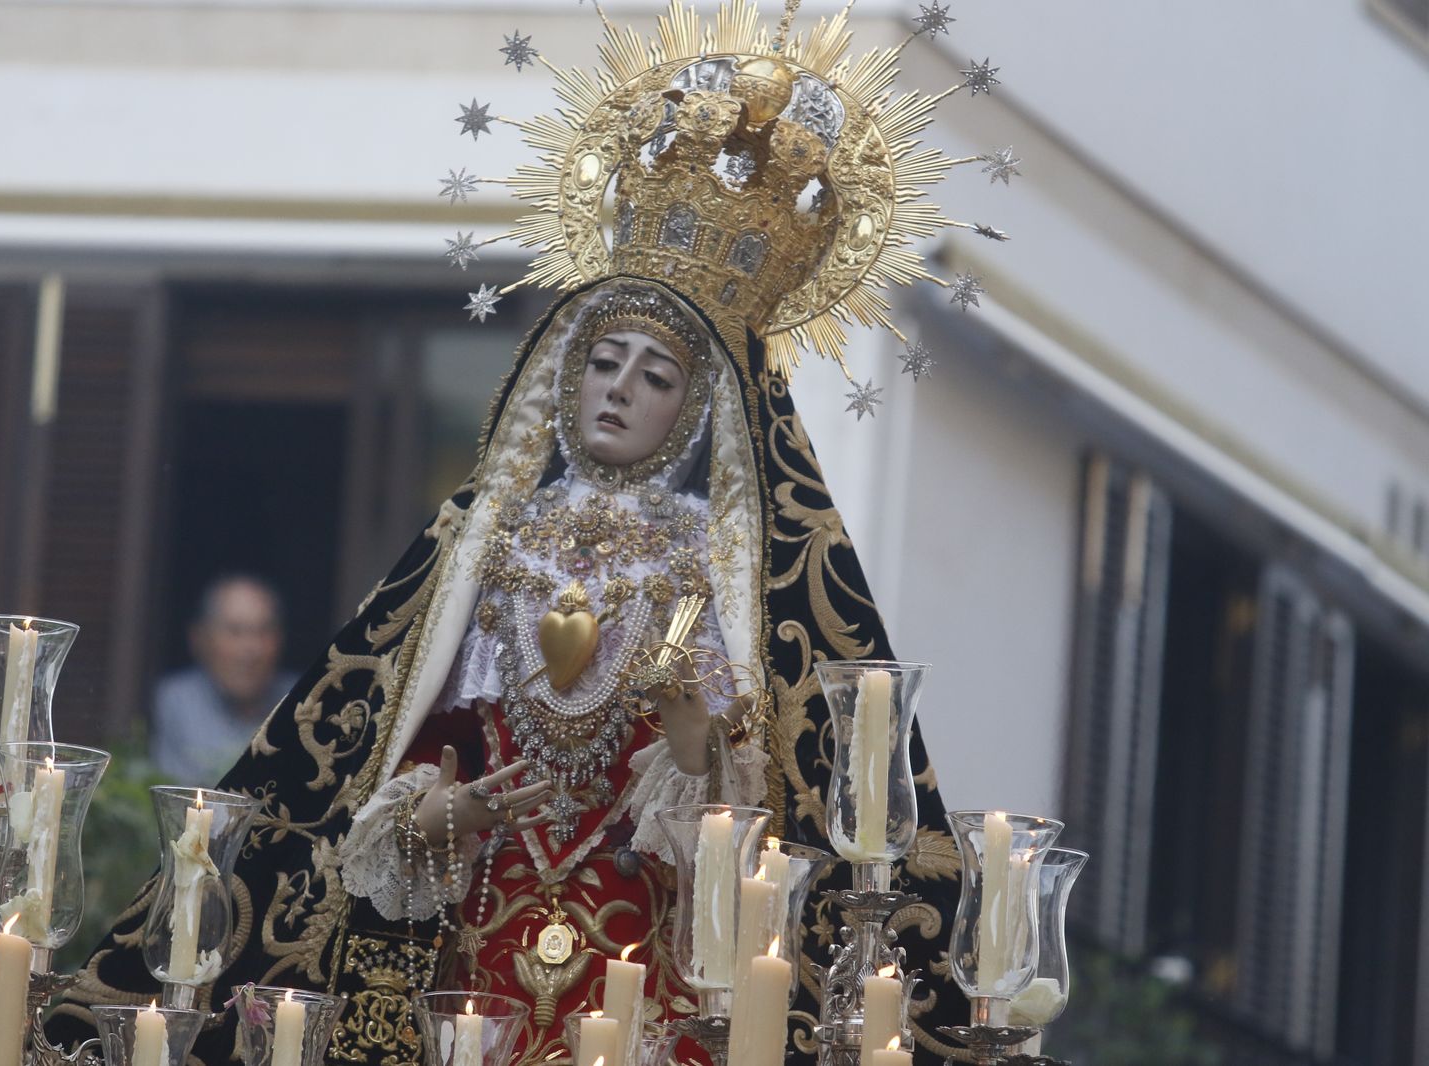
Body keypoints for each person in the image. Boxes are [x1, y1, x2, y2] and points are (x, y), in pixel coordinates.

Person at [54, 8, 985, 1062]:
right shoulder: (486, 546)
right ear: (563, 373)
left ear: (694, 409)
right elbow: (388, 757)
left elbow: (749, 830)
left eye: (655, 374)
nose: (620, 389)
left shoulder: (718, 565)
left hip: (646, 967)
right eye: (604, 359)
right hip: (475, 956)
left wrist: (690, 740)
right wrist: (439, 813)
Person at [150, 574, 299, 784]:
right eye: (235, 631)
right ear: (200, 639)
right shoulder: (176, 699)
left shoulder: (300, 700)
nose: (251, 650)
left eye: (263, 631)